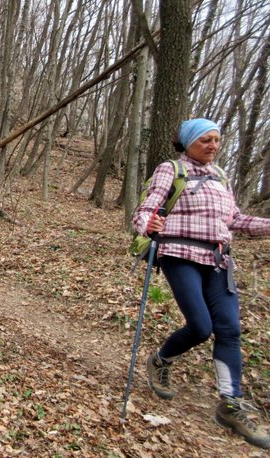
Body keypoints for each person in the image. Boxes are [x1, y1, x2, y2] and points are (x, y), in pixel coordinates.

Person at [132, 118, 270, 449]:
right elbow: (147, 208)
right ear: (188, 142)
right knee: (200, 326)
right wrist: (147, 224)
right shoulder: (172, 170)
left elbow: (235, 220)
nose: (213, 146)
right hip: (179, 253)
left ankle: (230, 404)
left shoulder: (220, 176)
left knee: (229, 329)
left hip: (218, 259)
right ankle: (161, 359)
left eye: (217, 140)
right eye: (205, 140)